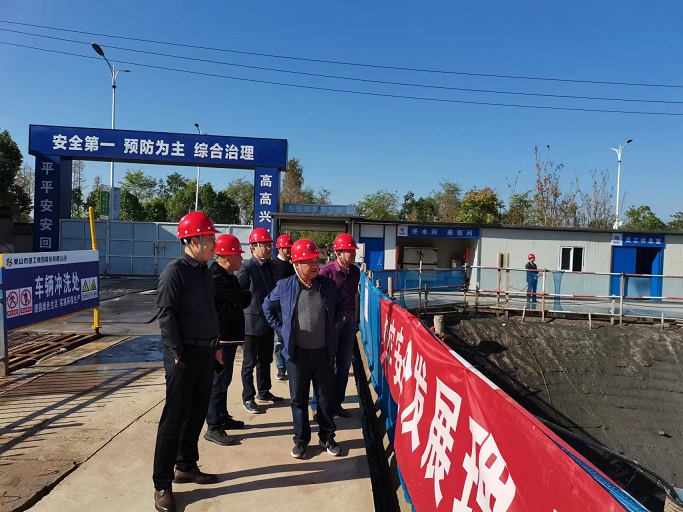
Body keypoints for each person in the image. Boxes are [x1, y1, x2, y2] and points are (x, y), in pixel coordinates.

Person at [152, 211, 221, 512]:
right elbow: (166, 314)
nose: (214, 243)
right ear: (193, 241)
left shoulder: (204, 271)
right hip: (183, 356)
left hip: (206, 353)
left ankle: (186, 466)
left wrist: (216, 345)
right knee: (173, 419)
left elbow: (209, 312)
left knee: (196, 414)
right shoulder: (175, 272)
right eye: (210, 238)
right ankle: (162, 484)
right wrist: (176, 352)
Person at [263, 239, 345, 459]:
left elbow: (341, 305)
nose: (315, 265)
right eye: (309, 262)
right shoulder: (285, 286)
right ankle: (301, 441)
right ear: (296, 264)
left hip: (323, 353)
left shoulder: (328, 286)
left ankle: (327, 437)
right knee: (298, 400)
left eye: (316, 261)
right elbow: (267, 306)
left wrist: (333, 328)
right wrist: (282, 330)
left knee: (325, 399)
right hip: (296, 354)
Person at [204, 234, 252, 446]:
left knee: (224, 381)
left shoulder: (228, 276)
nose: (241, 259)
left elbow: (242, 297)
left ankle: (222, 417)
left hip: (229, 338)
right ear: (227, 257)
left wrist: (242, 294)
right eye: (238, 255)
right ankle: (213, 426)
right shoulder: (217, 278)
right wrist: (243, 293)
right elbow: (243, 299)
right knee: (218, 383)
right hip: (220, 340)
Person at [311, 233, 361, 419]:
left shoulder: (355, 272)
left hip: (349, 323)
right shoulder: (326, 272)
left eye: (353, 251)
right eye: (350, 251)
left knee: (344, 364)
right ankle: (317, 405)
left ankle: (336, 403)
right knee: (326, 365)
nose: (353, 254)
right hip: (331, 324)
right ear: (339, 253)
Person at [236, 227, 284, 414]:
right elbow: (238, 294)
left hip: (268, 322)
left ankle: (264, 392)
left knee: (265, 360)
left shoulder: (271, 267)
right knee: (249, 363)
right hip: (251, 324)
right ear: (253, 247)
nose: (268, 247)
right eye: (264, 244)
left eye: (269, 244)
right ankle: (248, 397)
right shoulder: (246, 268)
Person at [271, 234, 296, 381]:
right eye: (287, 248)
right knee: (279, 340)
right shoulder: (273, 265)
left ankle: (291, 366)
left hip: (291, 308)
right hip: (278, 309)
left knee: (291, 339)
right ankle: (281, 368)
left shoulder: (293, 265)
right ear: (280, 248)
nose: (290, 250)